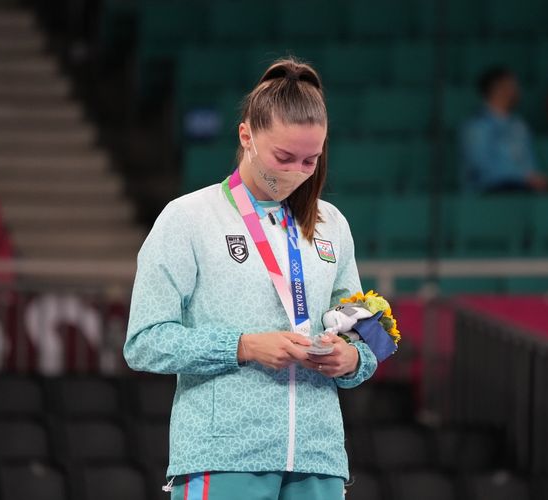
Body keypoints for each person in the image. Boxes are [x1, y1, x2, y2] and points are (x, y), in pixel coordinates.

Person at [123, 57, 377, 500]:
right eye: (283, 157)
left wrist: (354, 359)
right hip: (224, 456)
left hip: (318, 459)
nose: (297, 171)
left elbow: (365, 323)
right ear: (246, 136)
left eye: (310, 160)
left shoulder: (331, 225)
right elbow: (144, 341)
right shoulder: (189, 218)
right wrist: (243, 347)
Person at [459, 66, 548, 194]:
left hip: (522, 191)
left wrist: (532, 178)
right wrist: (522, 178)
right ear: (497, 88)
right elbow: (481, 168)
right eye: (512, 85)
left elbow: (529, 164)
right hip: (489, 196)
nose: (518, 90)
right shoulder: (476, 127)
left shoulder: (519, 125)